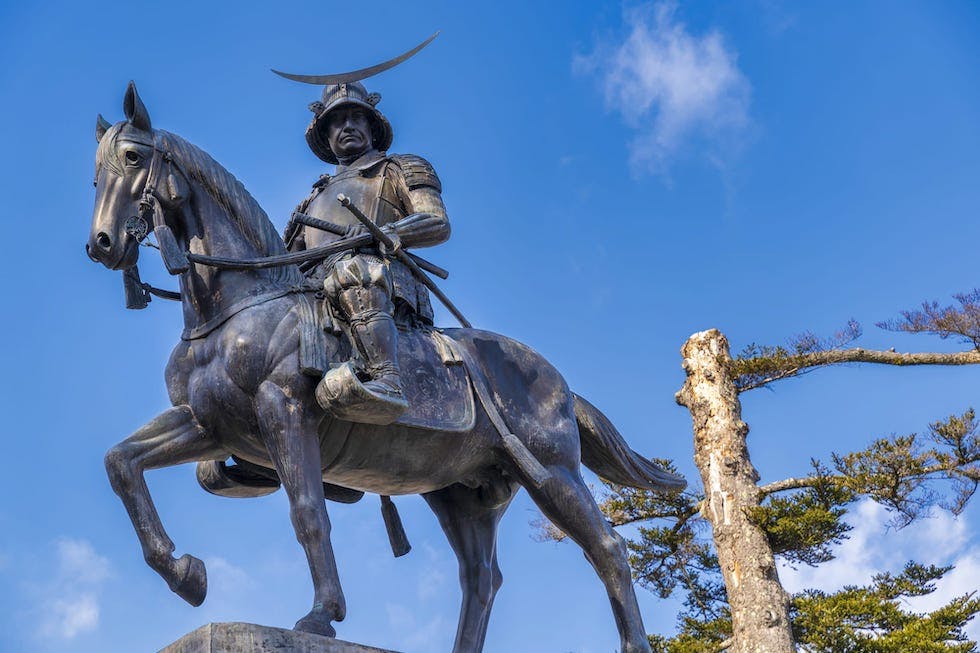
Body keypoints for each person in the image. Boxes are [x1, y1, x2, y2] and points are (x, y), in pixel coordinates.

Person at [284, 81, 450, 425]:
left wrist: (383, 233)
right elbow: (289, 265)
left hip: (383, 281)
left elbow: (436, 222)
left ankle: (386, 377)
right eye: (337, 121)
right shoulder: (311, 199)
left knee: (354, 271)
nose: (347, 126)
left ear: (372, 127)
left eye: (356, 118)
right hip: (318, 290)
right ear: (326, 135)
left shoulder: (399, 168)